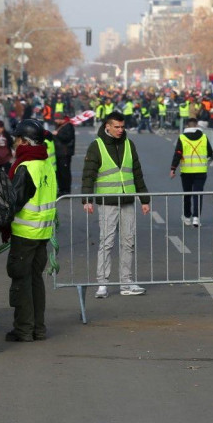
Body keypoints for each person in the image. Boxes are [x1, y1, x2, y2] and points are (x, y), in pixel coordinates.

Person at [81, 111, 150, 298]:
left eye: (122, 126)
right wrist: (86, 199)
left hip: (127, 200)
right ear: (107, 127)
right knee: (107, 242)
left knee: (128, 242)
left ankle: (126, 282)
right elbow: (88, 174)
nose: (120, 130)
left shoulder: (129, 144)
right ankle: (102, 283)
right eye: (117, 127)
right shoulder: (97, 146)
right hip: (107, 201)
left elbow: (137, 173)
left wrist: (145, 199)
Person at [6, 120, 55, 342]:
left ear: (24, 141)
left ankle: (24, 329)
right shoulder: (46, 164)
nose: (15, 144)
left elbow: (13, 201)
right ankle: (39, 328)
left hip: (25, 233)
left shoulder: (26, 166)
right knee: (36, 281)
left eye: (16, 139)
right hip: (43, 233)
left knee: (21, 280)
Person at [170, 117, 213, 227]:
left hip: (186, 171)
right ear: (196, 125)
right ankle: (196, 218)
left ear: (187, 126)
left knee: (187, 194)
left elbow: (178, 153)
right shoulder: (203, 137)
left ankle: (187, 217)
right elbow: (210, 152)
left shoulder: (182, 138)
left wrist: (173, 168)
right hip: (201, 171)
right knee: (198, 194)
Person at [52, 113, 76, 197]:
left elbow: (67, 138)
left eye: (56, 119)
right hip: (59, 152)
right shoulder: (60, 125)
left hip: (65, 152)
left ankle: (66, 190)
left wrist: (57, 134)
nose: (55, 121)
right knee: (59, 172)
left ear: (61, 119)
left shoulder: (68, 126)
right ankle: (61, 189)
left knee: (64, 172)